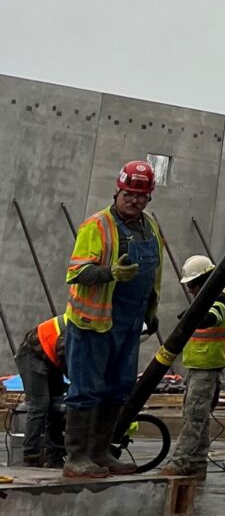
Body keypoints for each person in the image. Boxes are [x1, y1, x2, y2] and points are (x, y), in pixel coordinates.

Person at [62, 159, 163, 480]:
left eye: (141, 195)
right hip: (94, 323)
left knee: (118, 389)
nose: (135, 201)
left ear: (149, 197)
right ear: (118, 191)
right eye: (129, 194)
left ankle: (100, 451)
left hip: (128, 323)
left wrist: (150, 310)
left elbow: (154, 272)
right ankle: (76, 458)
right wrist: (110, 273)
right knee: (86, 389)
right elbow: (76, 272)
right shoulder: (97, 226)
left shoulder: (150, 226)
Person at [167, 256, 225, 483]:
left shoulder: (220, 297)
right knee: (198, 416)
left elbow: (211, 319)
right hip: (197, 365)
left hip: (208, 366)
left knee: (194, 416)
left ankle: (181, 461)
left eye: (194, 284)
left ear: (206, 278)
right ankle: (196, 463)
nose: (192, 290)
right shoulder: (206, 297)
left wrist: (192, 316)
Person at [15, 312, 67, 468]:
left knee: (56, 405)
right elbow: (68, 358)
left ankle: (54, 456)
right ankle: (31, 455)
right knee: (39, 405)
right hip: (32, 354)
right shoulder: (76, 328)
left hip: (51, 357)